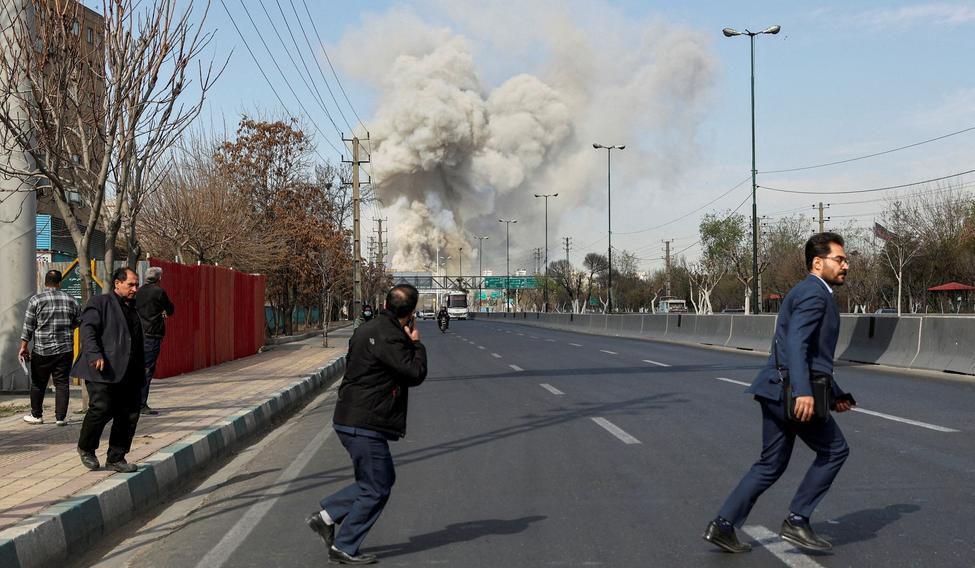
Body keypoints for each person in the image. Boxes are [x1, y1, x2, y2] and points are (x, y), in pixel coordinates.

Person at [703, 232, 855, 553]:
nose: (846, 265)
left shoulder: (804, 290)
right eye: (840, 259)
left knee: (770, 464)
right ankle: (797, 520)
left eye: (846, 260)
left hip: (773, 389)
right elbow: (796, 344)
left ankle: (723, 525)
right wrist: (802, 391)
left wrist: (835, 395)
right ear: (818, 263)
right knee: (834, 451)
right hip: (791, 392)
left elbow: (811, 356)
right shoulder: (816, 294)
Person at [307, 283, 427, 565]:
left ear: (385, 305)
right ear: (411, 313)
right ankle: (344, 545)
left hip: (349, 416)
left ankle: (326, 516)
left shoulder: (366, 329)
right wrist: (416, 343)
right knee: (377, 487)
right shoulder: (392, 337)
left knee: (378, 480)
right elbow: (414, 372)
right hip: (365, 422)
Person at [73, 267, 145, 473]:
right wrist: (95, 354)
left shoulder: (135, 307)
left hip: (130, 371)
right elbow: (88, 330)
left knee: (129, 414)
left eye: (137, 285)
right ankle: (86, 448)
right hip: (102, 369)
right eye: (131, 285)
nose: (135, 289)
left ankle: (116, 457)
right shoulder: (100, 303)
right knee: (102, 407)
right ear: (117, 284)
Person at [18, 270, 81, 426]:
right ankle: (60, 418)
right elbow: (78, 321)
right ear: (60, 282)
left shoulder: (36, 300)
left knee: (38, 383)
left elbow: (28, 326)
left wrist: (24, 347)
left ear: (45, 282)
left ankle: (36, 415)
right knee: (62, 383)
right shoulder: (71, 300)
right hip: (65, 350)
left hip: (42, 350)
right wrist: (68, 328)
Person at [135, 266, 174, 415]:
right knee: (147, 369)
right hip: (152, 334)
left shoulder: (138, 292)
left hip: (138, 334)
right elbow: (170, 309)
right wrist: (162, 312)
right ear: (159, 278)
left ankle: (133, 402)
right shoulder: (159, 292)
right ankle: (141, 404)